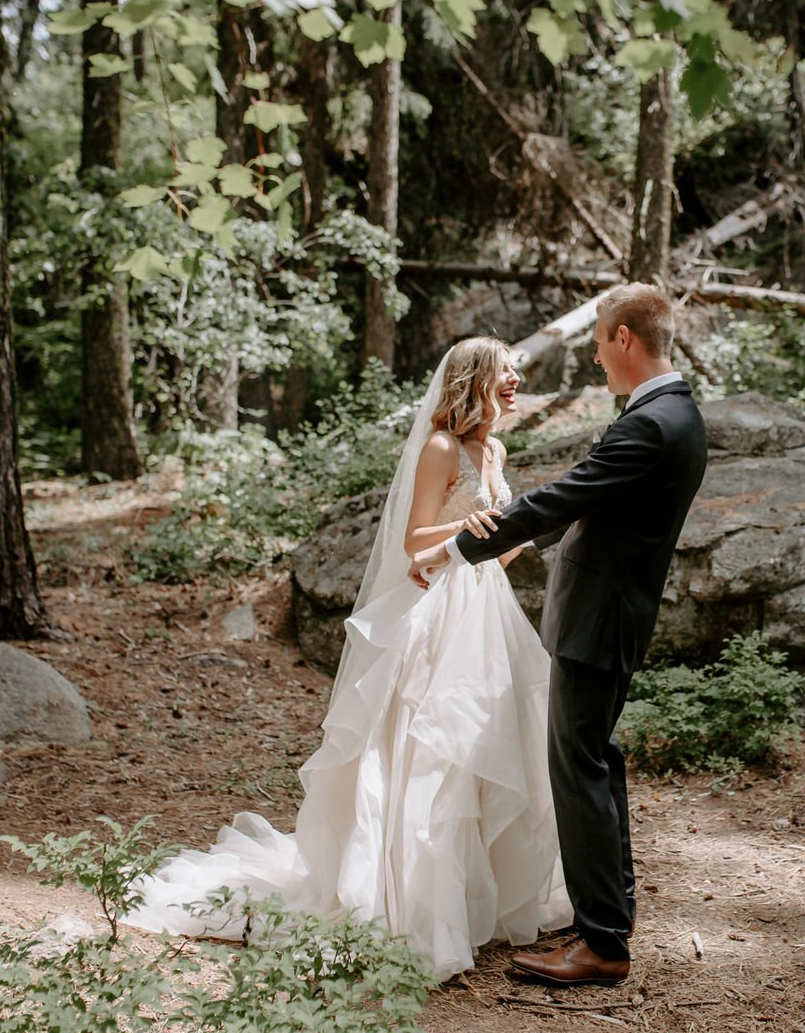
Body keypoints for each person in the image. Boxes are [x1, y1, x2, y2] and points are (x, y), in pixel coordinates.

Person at [131, 338, 571, 980]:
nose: (515, 382)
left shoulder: (496, 450)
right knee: (429, 753)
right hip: (441, 615)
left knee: (487, 744)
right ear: (474, 379)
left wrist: (513, 538)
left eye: (515, 375)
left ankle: (483, 900)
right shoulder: (442, 447)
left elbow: (494, 551)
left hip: (487, 610)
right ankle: (411, 904)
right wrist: (465, 530)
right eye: (506, 374)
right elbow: (414, 539)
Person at [411, 284, 707, 987]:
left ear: (625, 339)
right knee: (595, 761)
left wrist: (457, 551)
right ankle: (610, 915)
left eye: (601, 343)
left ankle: (603, 943)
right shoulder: (675, 414)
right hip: (611, 615)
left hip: (599, 618)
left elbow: (566, 497)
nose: (599, 359)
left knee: (579, 769)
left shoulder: (651, 423)